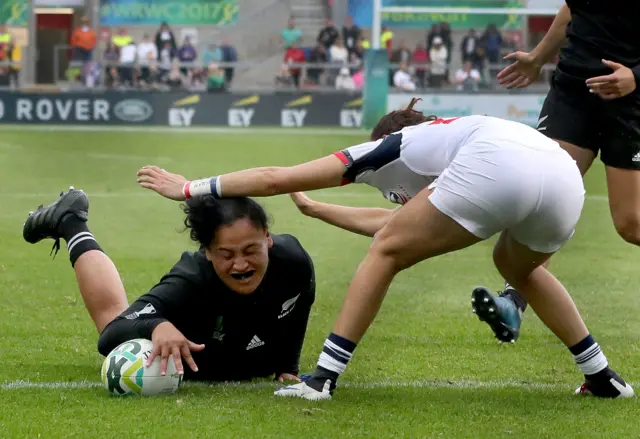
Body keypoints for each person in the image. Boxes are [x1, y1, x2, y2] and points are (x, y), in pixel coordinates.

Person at [136, 99, 634, 400]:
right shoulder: (451, 145)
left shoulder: (391, 147)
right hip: (565, 176)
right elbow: (404, 222)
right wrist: (319, 212)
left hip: (505, 166)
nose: (391, 194)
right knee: (516, 267)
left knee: (386, 253)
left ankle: (323, 379)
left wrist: (190, 188)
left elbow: (275, 178)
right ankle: (602, 376)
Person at [22, 189, 315, 383]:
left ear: (268, 237)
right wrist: (156, 326)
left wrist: (288, 367)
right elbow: (111, 334)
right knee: (115, 319)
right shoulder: (191, 280)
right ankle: (72, 223)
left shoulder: (294, 263)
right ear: (208, 251)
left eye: (251, 250)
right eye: (227, 255)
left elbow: (300, 301)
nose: (241, 265)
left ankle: (71, 220)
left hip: (238, 357)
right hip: (195, 358)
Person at [487, 1, 640, 343]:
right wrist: (538, 58)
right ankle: (513, 300)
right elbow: (572, 11)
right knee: (539, 195)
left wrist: (636, 76)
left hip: (628, 104)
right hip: (572, 94)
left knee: (631, 223)